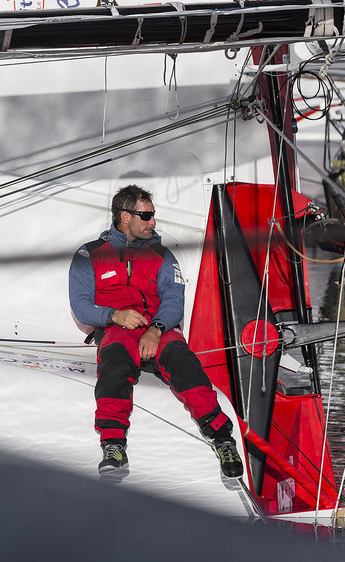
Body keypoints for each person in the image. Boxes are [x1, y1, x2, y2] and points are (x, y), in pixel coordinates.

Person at [68, 183, 245, 481]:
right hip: (117, 329)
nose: (153, 222)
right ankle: (113, 445)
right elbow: (81, 306)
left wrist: (156, 329)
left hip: (157, 328)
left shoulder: (163, 256)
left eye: (153, 215)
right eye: (146, 215)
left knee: (182, 359)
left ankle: (223, 439)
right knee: (112, 362)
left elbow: (174, 300)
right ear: (125, 217)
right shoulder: (89, 255)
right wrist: (114, 315)